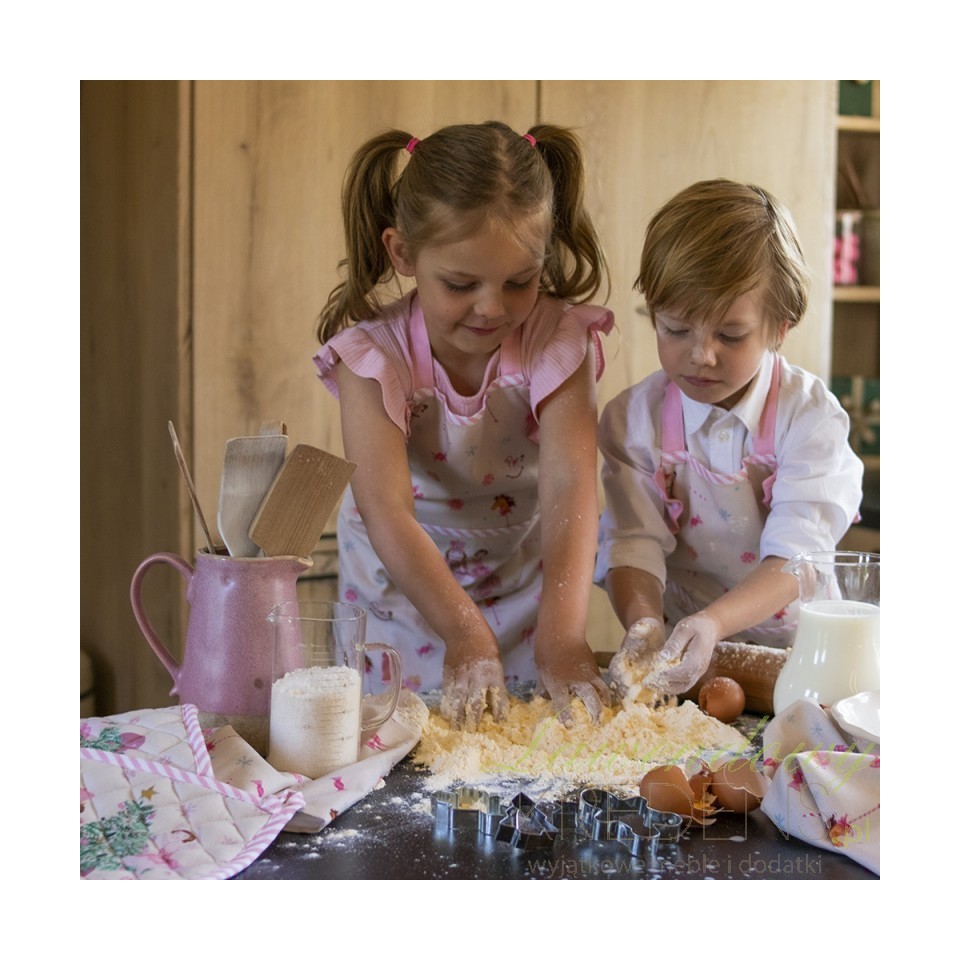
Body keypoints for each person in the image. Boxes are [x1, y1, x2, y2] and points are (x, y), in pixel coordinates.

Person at [314, 121, 614, 730]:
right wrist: (464, 633)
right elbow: (386, 510)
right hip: (403, 594)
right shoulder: (373, 358)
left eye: (520, 281)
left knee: (518, 748)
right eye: (460, 283)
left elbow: (570, 486)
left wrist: (562, 636)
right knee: (411, 749)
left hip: (520, 586)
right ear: (403, 253)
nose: (492, 307)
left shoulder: (558, 341)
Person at [596, 179, 863, 697]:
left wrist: (715, 621)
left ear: (780, 327)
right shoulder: (635, 421)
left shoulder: (809, 418)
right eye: (676, 329)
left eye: (730, 335)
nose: (702, 355)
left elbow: (798, 557)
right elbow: (633, 544)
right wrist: (645, 624)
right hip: (685, 657)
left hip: (800, 656)